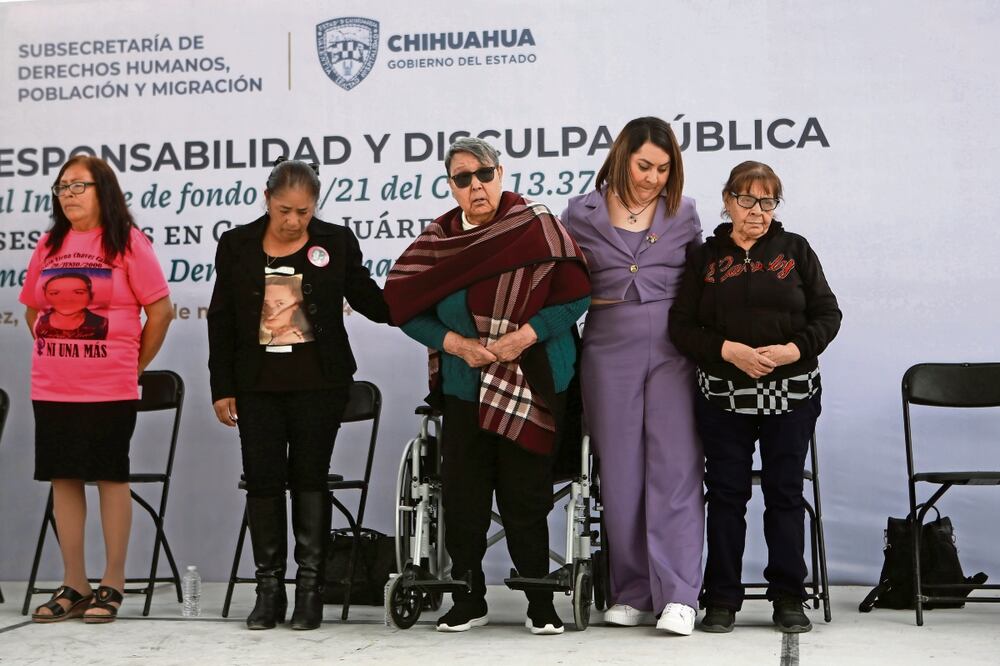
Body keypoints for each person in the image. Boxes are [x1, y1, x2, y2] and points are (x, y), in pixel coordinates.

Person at [385, 137, 591, 635]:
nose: (475, 185)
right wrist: (455, 343)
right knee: (465, 493)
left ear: (501, 173)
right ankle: (468, 597)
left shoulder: (537, 228)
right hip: (464, 384)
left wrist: (524, 336)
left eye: (484, 174)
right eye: (463, 178)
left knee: (526, 492)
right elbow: (404, 308)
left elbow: (577, 296)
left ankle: (539, 600)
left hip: (535, 378)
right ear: (451, 185)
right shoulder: (438, 242)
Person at [207, 158, 389, 631]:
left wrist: (420, 308)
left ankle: (310, 591)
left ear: (315, 207)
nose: (293, 221)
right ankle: (268, 590)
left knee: (310, 479)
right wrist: (221, 386)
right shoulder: (237, 244)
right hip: (256, 385)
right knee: (263, 480)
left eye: (304, 212)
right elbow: (221, 317)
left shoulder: (336, 242)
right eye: (285, 210)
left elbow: (369, 297)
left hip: (320, 384)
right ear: (267, 199)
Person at [669, 161, 842, 633]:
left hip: (792, 394)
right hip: (724, 397)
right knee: (727, 496)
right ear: (727, 201)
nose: (757, 211)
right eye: (747, 200)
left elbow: (828, 315)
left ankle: (789, 597)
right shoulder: (704, 257)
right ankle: (722, 599)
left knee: (785, 494)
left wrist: (793, 350)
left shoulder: (796, 250)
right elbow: (681, 326)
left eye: (767, 202)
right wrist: (727, 351)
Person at [560, 116, 705, 635]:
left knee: (675, 468)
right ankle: (631, 591)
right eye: (645, 165)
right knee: (619, 473)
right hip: (606, 346)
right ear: (623, 156)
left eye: (664, 169)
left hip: (672, 349)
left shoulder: (684, 213)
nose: (652, 178)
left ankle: (681, 595)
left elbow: (700, 285)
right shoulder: (580, 212)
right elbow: (561, 282)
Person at [20, 156, 173, 623]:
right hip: (53, 386)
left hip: (109, 388)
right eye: (62, 186)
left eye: (78, 186)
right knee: (63, 478)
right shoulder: (50, 243)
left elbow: (161, 311)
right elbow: (31, 309)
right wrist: (58, 350)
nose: (67, 194)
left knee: (110, 477)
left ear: (102, 190)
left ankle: (112, 582)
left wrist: (131, 365)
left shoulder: (127, 242)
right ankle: (75, 584)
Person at [35, 272, 110, 340]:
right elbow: (31, 309)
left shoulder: (102, 323)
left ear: (91, 296)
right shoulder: (42, 322)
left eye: (78, 293)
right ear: (45, 296)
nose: (67, 299)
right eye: (55, 293)